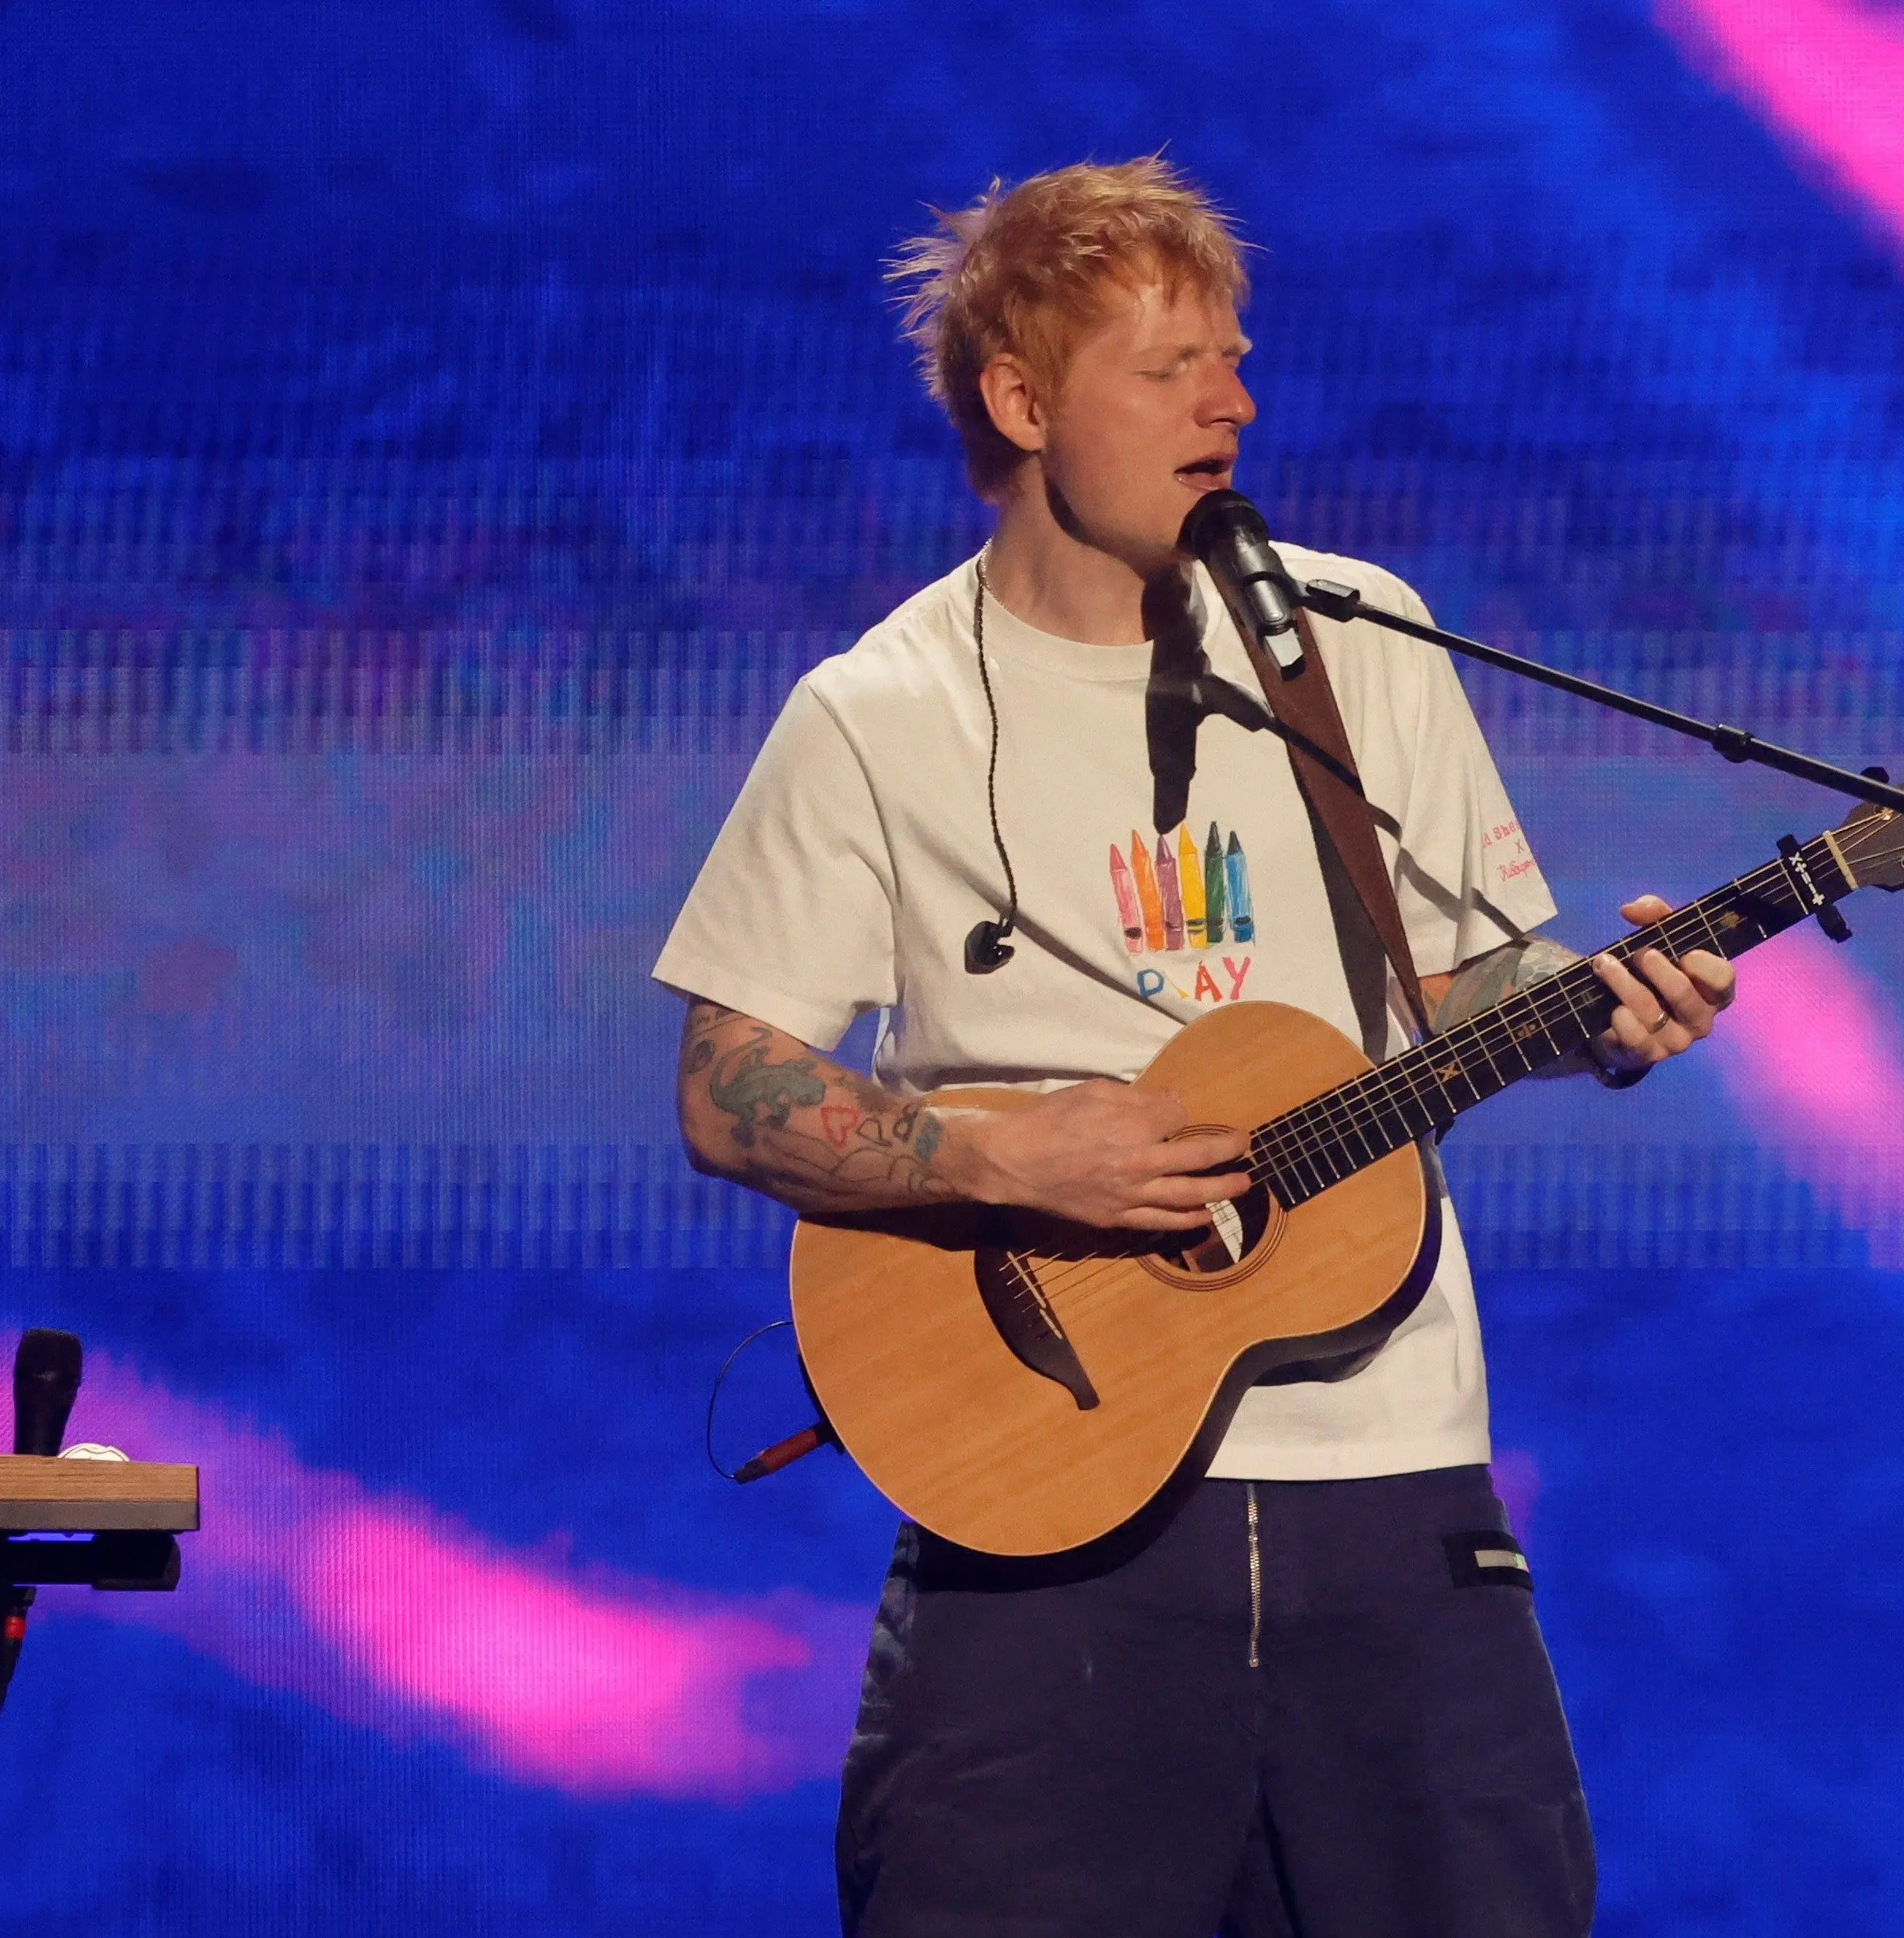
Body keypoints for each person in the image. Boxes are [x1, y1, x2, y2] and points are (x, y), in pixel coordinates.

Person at [651, 159, 1736, 1937]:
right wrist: (1003, 1156)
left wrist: (1593, 1019)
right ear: (1020, 401)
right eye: (1167, 365)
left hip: (1392, 1500)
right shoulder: (877, 710)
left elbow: (1458, 988)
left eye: (1234, 358)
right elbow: (728, 1082)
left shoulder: (1353, 644)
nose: (1229, 399)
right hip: (1044, 1509)